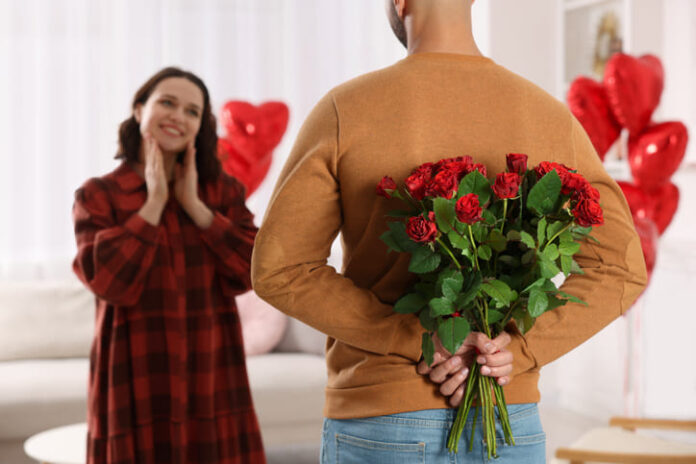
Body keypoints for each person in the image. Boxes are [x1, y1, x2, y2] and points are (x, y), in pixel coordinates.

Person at [252, 0, 647, 462]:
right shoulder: (547, 115)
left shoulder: (346, 109)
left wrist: (411, 335)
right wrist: (514, 351)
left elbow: (279, 269)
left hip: (383, 419)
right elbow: (622, 267)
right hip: (508, 421)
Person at [72, 67, 265, 464]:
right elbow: (106, 280)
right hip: (133, 368)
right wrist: (154, 204)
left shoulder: (222, 193)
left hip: (211, 364)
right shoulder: (98, 195)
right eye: (167, 102)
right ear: (139, 108)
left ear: (200, 127)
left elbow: (254, 270)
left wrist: (196, 208)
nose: (178, 115)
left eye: (192, 111)